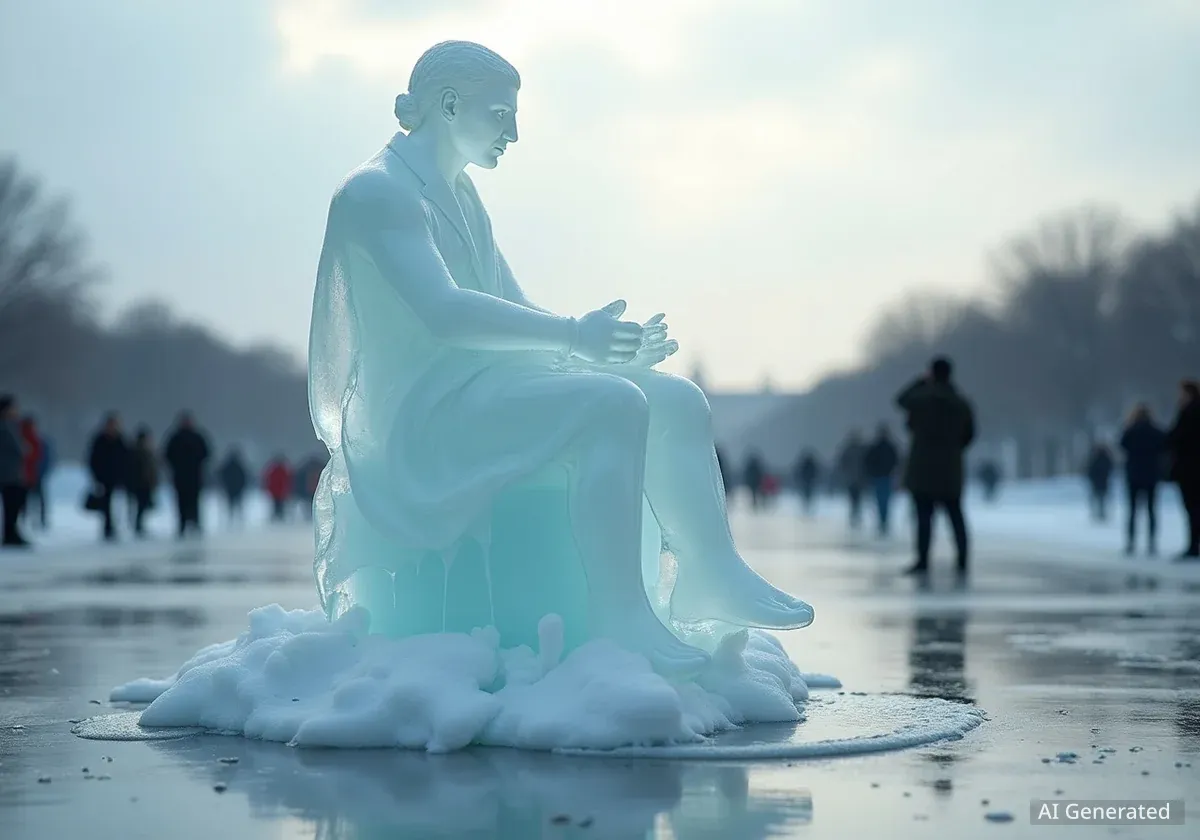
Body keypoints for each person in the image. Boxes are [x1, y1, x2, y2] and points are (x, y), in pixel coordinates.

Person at [306, 40, 811, 672]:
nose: (514, 133)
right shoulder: (376, 194)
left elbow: (511, 305)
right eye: (502, 114)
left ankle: (710, 574)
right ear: (450, 104)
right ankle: (619, 615)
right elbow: (445, 311)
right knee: (611, 407)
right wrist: (576, 340)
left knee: (677, 399)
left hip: (478, 388)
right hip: (422, 419)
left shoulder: (459, 196)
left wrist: (599, 353)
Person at [895, 357, 975, 575]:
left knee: (923, 518)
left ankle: (922, 561)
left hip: (923, 468)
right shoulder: (961, 403)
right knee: (955, 516)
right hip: (950, 468)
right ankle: (962, 560)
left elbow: (900, 400)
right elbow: (969, 435)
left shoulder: (921, 399)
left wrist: (921, 382)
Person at [1119, 403, 1167, 556]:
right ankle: (1152, 543)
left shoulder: (1130, 431)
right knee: (1151, 510)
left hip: (1134, 474)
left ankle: (1131, 543)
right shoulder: (1156, 431)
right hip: (1151, 474)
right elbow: (1164, 446)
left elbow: (1122, 445)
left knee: (1132, 510)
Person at [163, 411, 211, 538]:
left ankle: (195, 523)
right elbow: (167, 456)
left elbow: (206, 454)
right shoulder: (175, 438)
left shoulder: (197, 437)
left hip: (194, 476)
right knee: (181, 502)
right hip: (181, 477)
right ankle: (182, 524)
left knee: (194, 501)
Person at [1167, 379, 1200, 560]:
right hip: (1193, 467)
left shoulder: (1188, 413)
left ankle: (1193, 545)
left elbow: (1176, 437)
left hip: (1190, 469)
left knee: (1192, 508)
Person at [87, 412, 128, 542]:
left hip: (117, 477)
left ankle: (113, 527)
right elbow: (93, 459)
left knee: (116, 504)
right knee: (106, 504)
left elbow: (126, 460)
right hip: (104, 478)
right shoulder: (99, 441)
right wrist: (96, 476)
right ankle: (108, 528)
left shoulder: (120, 440)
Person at [0, 395, 30, 548]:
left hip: (12, 471)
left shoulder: (12, 425)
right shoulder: (5, 426)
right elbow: (16, 447)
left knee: (14, 504)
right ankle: (10, 534)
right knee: (12, 504)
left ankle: (11, 533)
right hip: (7, 473)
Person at [863, 423, 901, 537]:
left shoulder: (876, 447)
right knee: (885, 500)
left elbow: (868, 461)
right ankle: (883, 520)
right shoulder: (889, 446)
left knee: (881, 500)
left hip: (881, 477)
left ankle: (882, 520)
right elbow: (896, 460)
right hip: (884, 476)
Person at [126, 427, 159, 538]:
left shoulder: (148, 452)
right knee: (140, 506)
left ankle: (139, 525)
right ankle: (138, 526)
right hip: (139, 484)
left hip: (146, 483)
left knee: (143, 506)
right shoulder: (136, 452)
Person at [835, 430, 866, 529]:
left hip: (852, 479)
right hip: (858, 479)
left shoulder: (849, 450)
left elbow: (842, 463)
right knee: (857, 498)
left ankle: (854, 514)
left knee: (853, 498)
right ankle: (855, 513)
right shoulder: (861, 450)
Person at [217, 448, 250, 526]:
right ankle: (238, 518)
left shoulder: (227, 466)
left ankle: (231, 517)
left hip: (230, 488)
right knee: (237, 503)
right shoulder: (239, 466)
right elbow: (244, 476)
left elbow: (221, 475)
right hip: (237, 488)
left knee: (231, 503)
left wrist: (224, 484)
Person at [1085, 442, 1114, 523]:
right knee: (1101, 498)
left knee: (1098, 498)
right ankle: (1100, 513)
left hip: (1097, 481)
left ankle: (1097, 513)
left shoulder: (1094, 459)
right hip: (1103, 481)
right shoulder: (1106, 459)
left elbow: (1090, 470)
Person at [263, 455, 293, 522]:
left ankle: (278, 516)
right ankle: (279, 516)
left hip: (277, 491)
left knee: (277, 504)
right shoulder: (282, 470)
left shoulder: (273, 470)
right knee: (278, 504)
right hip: (278, 491)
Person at [793, 449, 820, 514]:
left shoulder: (804, 465)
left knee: (806, 495)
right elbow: (816, 472)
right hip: (810, 482)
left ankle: (806, 505)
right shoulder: (812, 464)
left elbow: (799, 472)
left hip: (806, 482)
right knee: (808, 495)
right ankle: (807, 505)